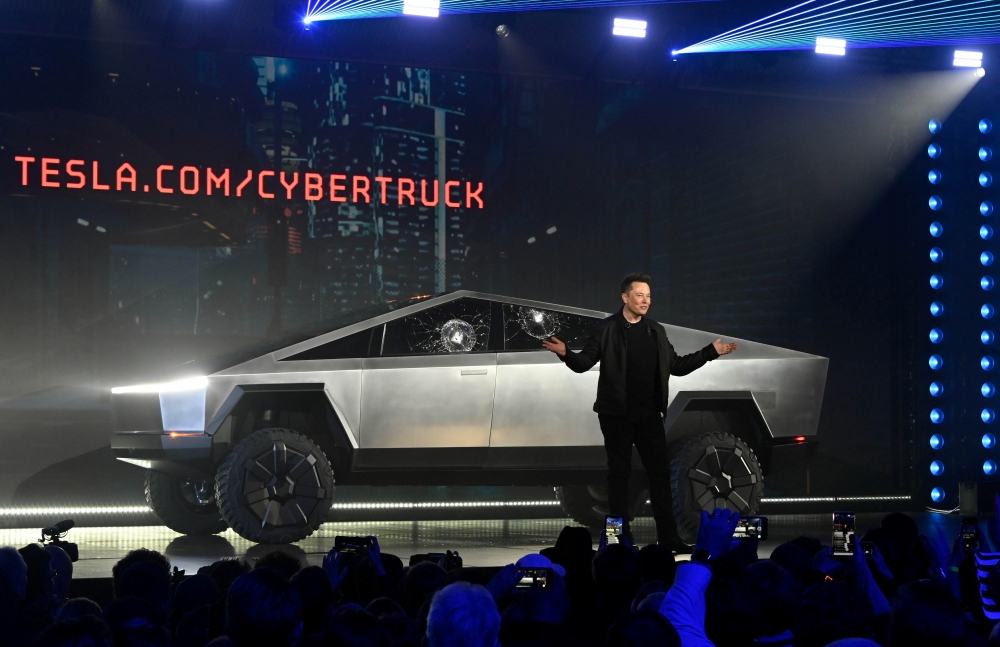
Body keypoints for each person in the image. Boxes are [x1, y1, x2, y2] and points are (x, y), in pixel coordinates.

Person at [542, 272, 738, 546]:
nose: (645, 301)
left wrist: (710, 352)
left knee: (659, 475)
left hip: (649, 415)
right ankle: (617, 538)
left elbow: (677, 366)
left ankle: (668, 538)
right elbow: (584, 363)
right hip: (616, 415)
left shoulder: (656, 331)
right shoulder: (606, 329)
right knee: (618, 476)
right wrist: (566, 354)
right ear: (625, 297)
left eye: (648, 296)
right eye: (639, 295)